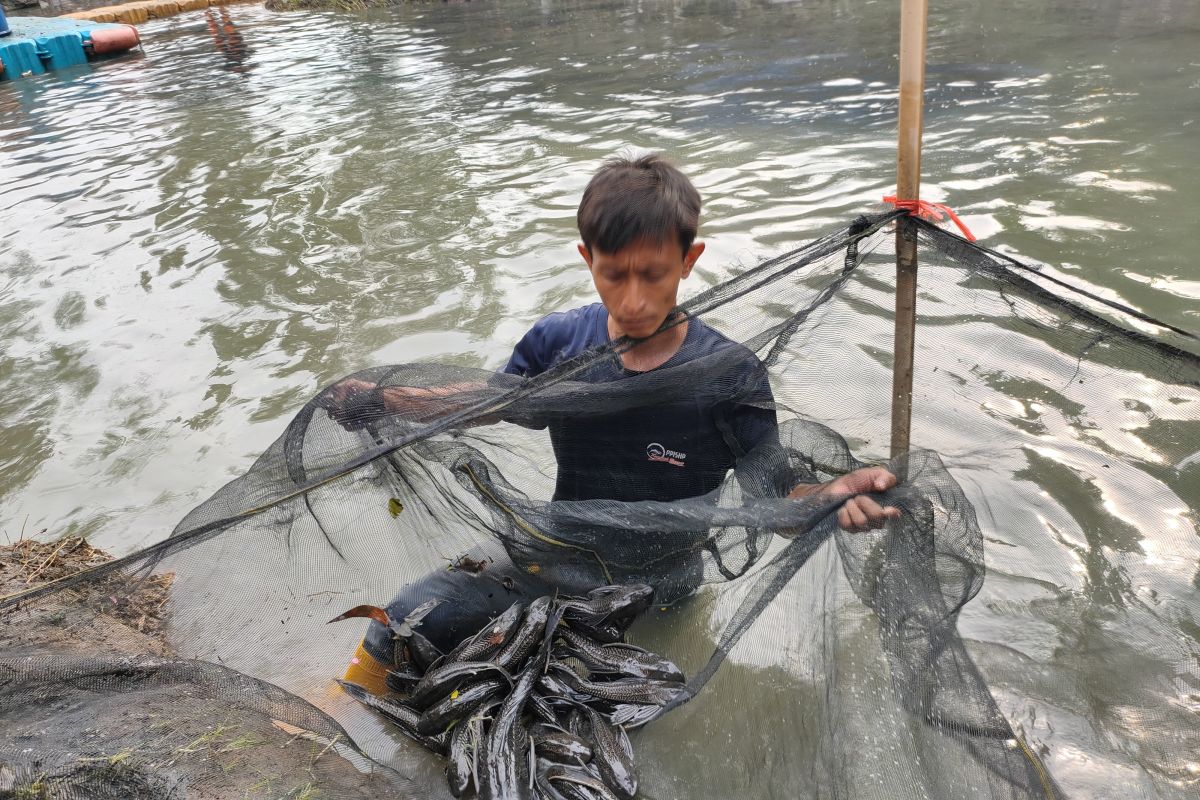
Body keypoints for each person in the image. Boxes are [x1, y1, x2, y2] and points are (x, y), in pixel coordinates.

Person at [334, 154, 898, 692]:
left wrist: (830, 496)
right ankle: (341, 711)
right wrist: (386, 400)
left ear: (689, 259)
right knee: (408, 619)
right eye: (613, 274)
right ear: (587, 259)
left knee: (604, 710)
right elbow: (487, 401)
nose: (632, 300)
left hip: (659, 589)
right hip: (552, 557)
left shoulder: (731, 376)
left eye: (653, 275)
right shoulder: (558, 345)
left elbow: (776, 500)